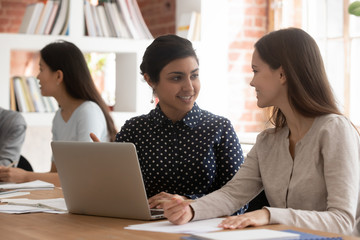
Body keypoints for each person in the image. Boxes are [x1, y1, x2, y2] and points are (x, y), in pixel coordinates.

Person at [162, 28, 360, 235]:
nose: (252, 81)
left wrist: (268, 215)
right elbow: (232, 195)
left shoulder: (335, 130)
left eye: (256, 71)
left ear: (282, 74)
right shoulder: (267, 141)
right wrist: (190, 209)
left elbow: (342, 220)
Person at [92, 34, 249, 214]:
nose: (189, 87)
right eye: (177, 78)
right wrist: (103, 171)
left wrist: (189, 203)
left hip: (202, 230)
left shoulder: (220, 128)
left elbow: (240, 202)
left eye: (194, 75)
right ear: (151, 80)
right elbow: (117, 196)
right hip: (142, 231)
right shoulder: (134, 130)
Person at [0, 40, 117, 186]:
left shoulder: (88, 112)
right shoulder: (58, 117)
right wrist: (22, 177)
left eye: (41, 69)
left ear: (58, 76)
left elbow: (81, 178)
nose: (37, 77)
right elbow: (55, 174)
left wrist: (25, 176)